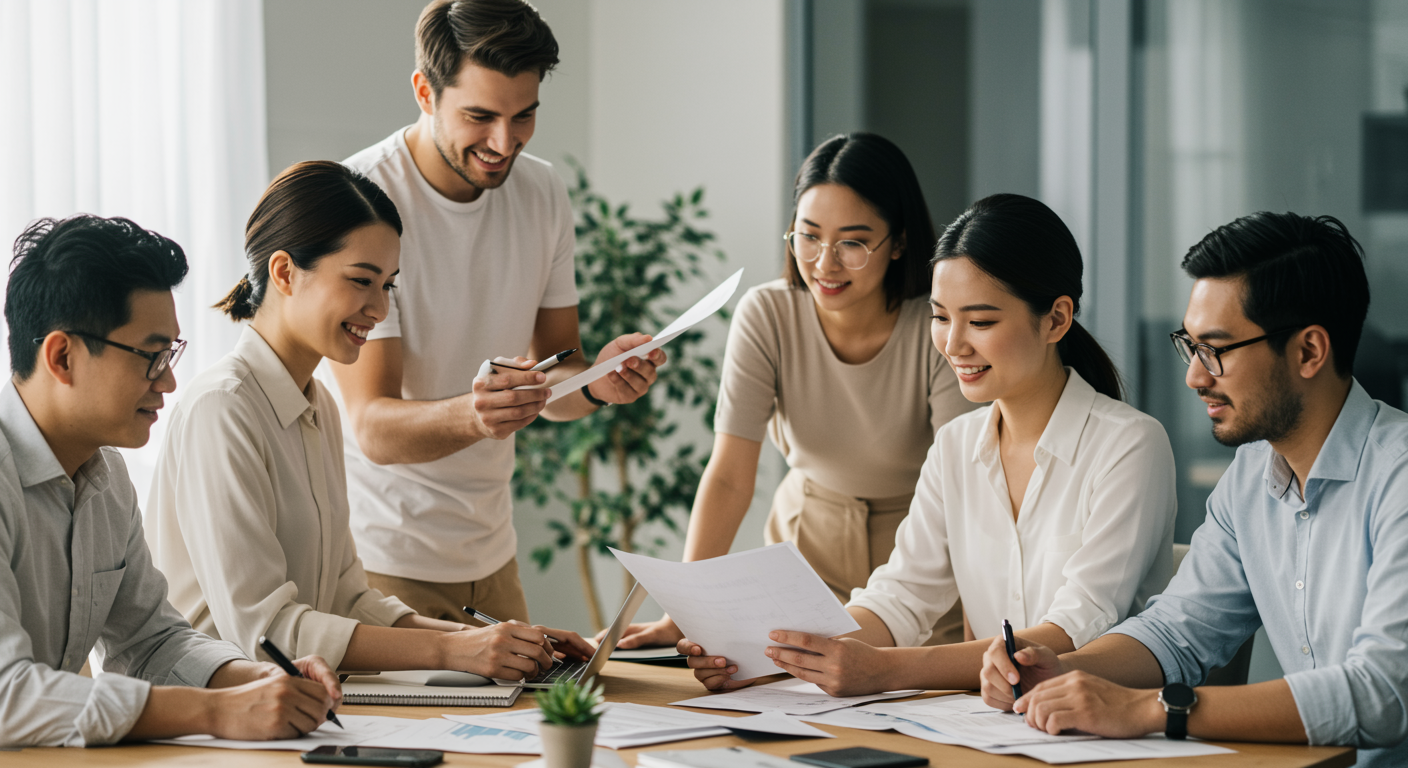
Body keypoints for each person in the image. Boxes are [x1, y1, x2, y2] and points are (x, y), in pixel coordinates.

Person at [684, 194, 1178, 695]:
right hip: (989, 727)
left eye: (981, 322)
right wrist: (768, 657)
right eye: (941, 317)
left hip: (1103, 731)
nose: (954, 344)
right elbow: (901, 597)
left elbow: (1075, 631)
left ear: (1056, 319)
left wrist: (883, 670)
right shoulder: (956, 445)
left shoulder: (1130, 445)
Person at [980, 213, 1408, 767]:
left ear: (1308, 352)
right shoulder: (1253, 475)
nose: (1195, 377)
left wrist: (1154, 710)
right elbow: (1179, 631)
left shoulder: (1397, 478)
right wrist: (1068, 668)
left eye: (1217, 350)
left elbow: (1383, 694)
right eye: (1191, 346)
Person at [146, 161, 593, 680]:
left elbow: (345, 596)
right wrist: (453, 652)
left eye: (389, 286)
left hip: (293, 704)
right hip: (213, 717)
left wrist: (496, 641)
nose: (379, 309)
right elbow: (264, 632)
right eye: (362, 281)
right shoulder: (222, 408)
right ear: (285, 272)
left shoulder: (318, 404)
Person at [328, 0, 665, 627]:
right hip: (381, 561)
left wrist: (599, 384)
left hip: (493, 558)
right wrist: (476, 414)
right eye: (479, 116)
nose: (503, 143)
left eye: (524, 115)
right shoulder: (363, 202)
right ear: (425, 92)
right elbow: (371, 426)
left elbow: (555, 374)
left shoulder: (542, 193)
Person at [616, 133, 975, 652]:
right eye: (808, 237)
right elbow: (730, 475)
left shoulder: (938, 328)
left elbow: (963, 494)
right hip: (808, 554)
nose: (824, 264)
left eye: (852, 242)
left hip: (919, 559)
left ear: (898, 243)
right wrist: (684, 611)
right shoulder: (768, 314)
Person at [0, 215, 340, 748]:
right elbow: (6, 698)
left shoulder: (107, 475)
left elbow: (151, 641)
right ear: (62, 356)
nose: (170, 380)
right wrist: (217, 711)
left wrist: (252, 677)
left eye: (172, 354)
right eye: (152, 356)